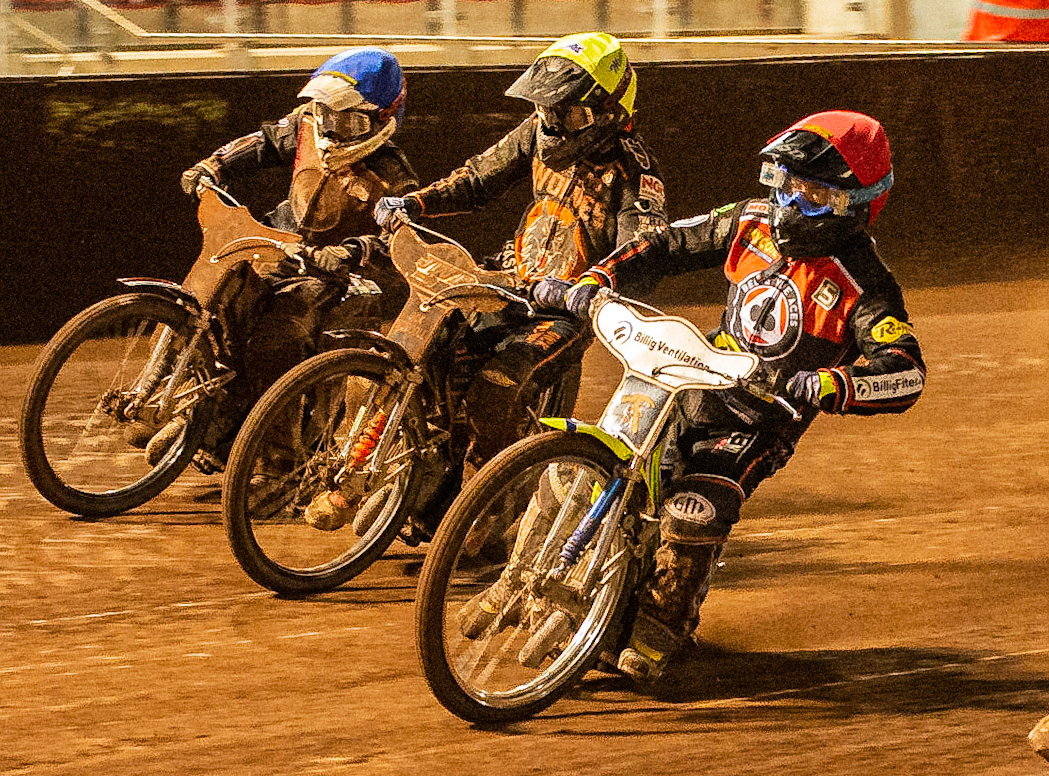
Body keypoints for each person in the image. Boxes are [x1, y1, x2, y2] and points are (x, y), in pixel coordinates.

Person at [534, 110, 926, 684]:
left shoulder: (867, 283)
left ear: (856, 205)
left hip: (762, 418)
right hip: (695, 380)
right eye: (786, 185)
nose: (791, 206)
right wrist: (598, 279)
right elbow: (664, 243)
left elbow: (906, 370)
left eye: (813, 196)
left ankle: (663, 622)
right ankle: (520, 578)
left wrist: (831, 383)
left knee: (697, 509)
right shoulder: (750, 220)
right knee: (588, 467)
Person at [374, 31, 667, 470]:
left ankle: (486, 510)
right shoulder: (536, 130)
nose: (551, 123)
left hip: (564, 309)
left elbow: (642, 255)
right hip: (507, 278)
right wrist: (414, 203)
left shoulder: (635, 173)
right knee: (429, 344)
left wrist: (589, 288)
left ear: (608, 112)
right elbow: (478, 178)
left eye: (566, 114)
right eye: (545, 109)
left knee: (496, 388)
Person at [150, 47, 420, 471]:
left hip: (332, 277)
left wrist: (352, 251)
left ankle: (280, 456)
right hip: (275, 242)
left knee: (281, 335)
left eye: (346, 120)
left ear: (383, 119)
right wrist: (214, 165)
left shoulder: (395, 176)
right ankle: (190, 396)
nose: (331, 127)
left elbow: (399, 241)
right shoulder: (305, 128)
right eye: (326, 113)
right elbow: (260, 144)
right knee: (212, 294)